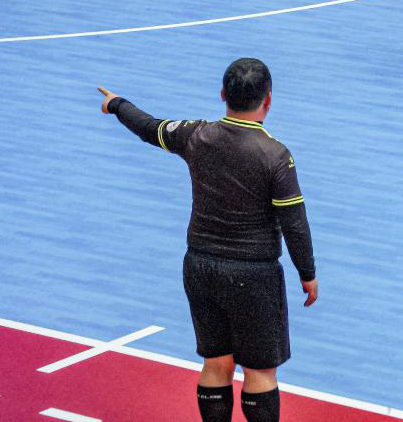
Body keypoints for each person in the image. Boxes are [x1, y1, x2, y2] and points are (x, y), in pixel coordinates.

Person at [97, 58, 317, 422]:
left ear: (222, 95)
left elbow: (149, 127)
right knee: (260, 372)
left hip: (200, 267)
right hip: (254, 275)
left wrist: (117, 104)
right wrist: (307, 273)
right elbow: (294, 223)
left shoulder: (195, 135)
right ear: (268, 99)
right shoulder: (276, 155)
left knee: (216, 363)